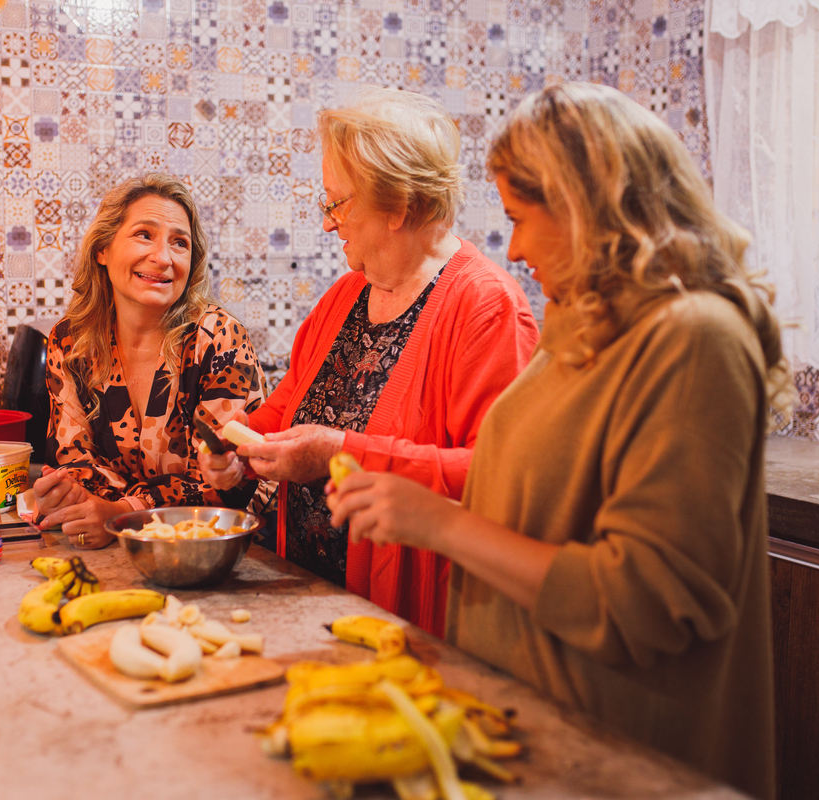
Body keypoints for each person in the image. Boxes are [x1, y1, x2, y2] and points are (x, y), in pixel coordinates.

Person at [327, 83, 792, 800]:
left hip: (626, 756)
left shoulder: (696, 339)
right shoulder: (584, 321)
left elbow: (648, 600)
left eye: (519, 217)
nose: (511, 246)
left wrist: (438, 523)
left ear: (584, 203)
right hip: (538, 728)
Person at [199, 88, 540, 637]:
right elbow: (283, 415)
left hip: (405, 622)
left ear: (399, 206)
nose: (330, 223)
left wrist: (343, 452)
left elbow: (496, 477)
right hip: (308, 604)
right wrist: (234, 462)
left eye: (339, 202)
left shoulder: (485, 305)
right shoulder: (345, 296)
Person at [33, 174, 270, 549]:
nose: (162, 258)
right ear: (103, 250)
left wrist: (120, 511)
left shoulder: (217, 339)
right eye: (144, 234)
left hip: (232, 552)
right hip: (128, 551)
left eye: (179, 243)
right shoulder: (72, 341)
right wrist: (70, 496)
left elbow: (226, 484)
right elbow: (75, 459)